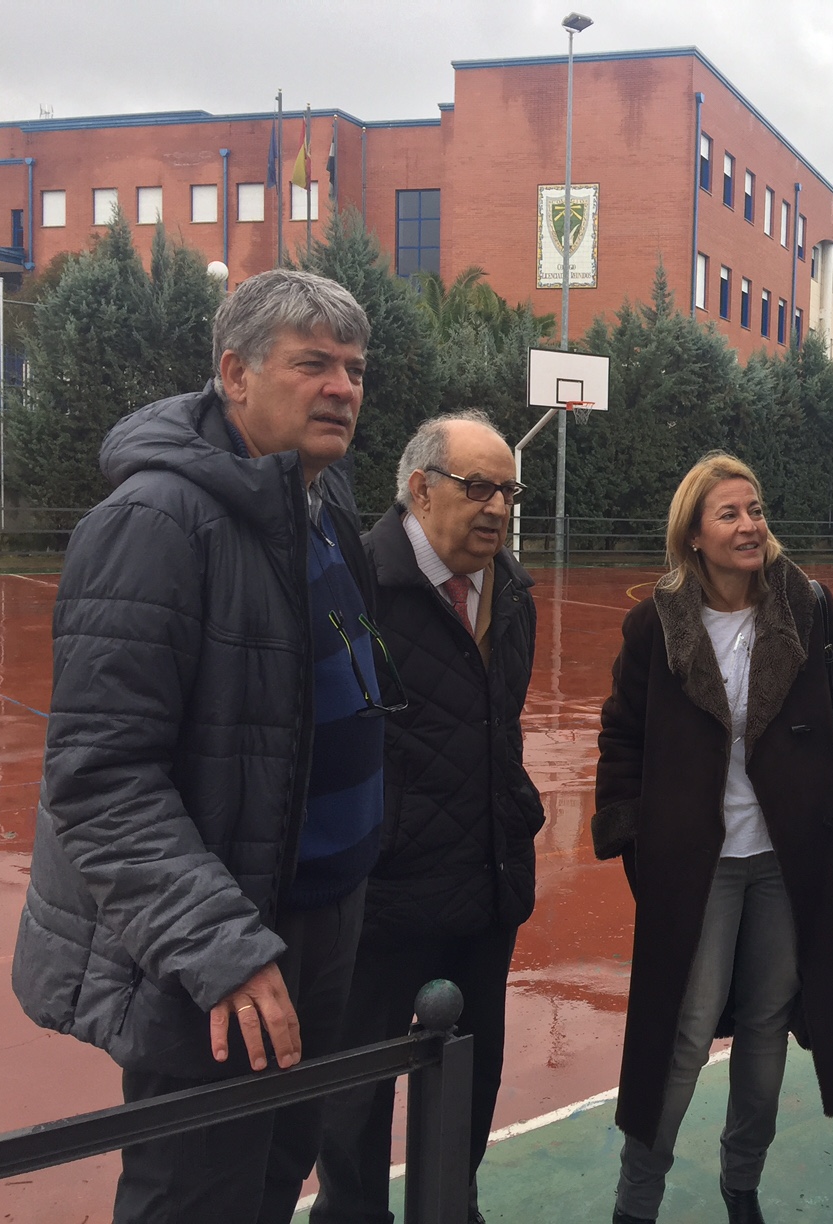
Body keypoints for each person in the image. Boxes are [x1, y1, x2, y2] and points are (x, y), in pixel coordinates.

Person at [10, 269, 383, 1224]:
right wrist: (221, 946)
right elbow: (101, 781)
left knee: (273, 1177)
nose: (342, 386)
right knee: (195, 1200)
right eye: (313, 364)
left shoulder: (324, 505)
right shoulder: (152, 525)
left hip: (317, 922)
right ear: (236, 374)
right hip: (216, 951)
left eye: (353, 366)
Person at [592, 452, 833, 1224]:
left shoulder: (808, 607)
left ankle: (741, 1183)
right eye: (729, 513)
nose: (750, 525)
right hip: (698, 862)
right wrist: (632, 831)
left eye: (755, 509)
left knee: (768, 1024)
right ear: (692, 534)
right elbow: (622, 736)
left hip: (792, 858)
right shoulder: (654, 622)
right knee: (681, 1034)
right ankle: (637, 1200)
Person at [312, 411, 542, 1224]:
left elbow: (499, 724)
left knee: (472, 1078)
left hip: (485, 879)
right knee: (355, 1098)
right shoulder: (355, 581)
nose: (498, 508)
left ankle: (451, 1206)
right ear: (420, 490)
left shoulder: (512, 589)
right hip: (382, 892)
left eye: (507, 490)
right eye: (477, 488)